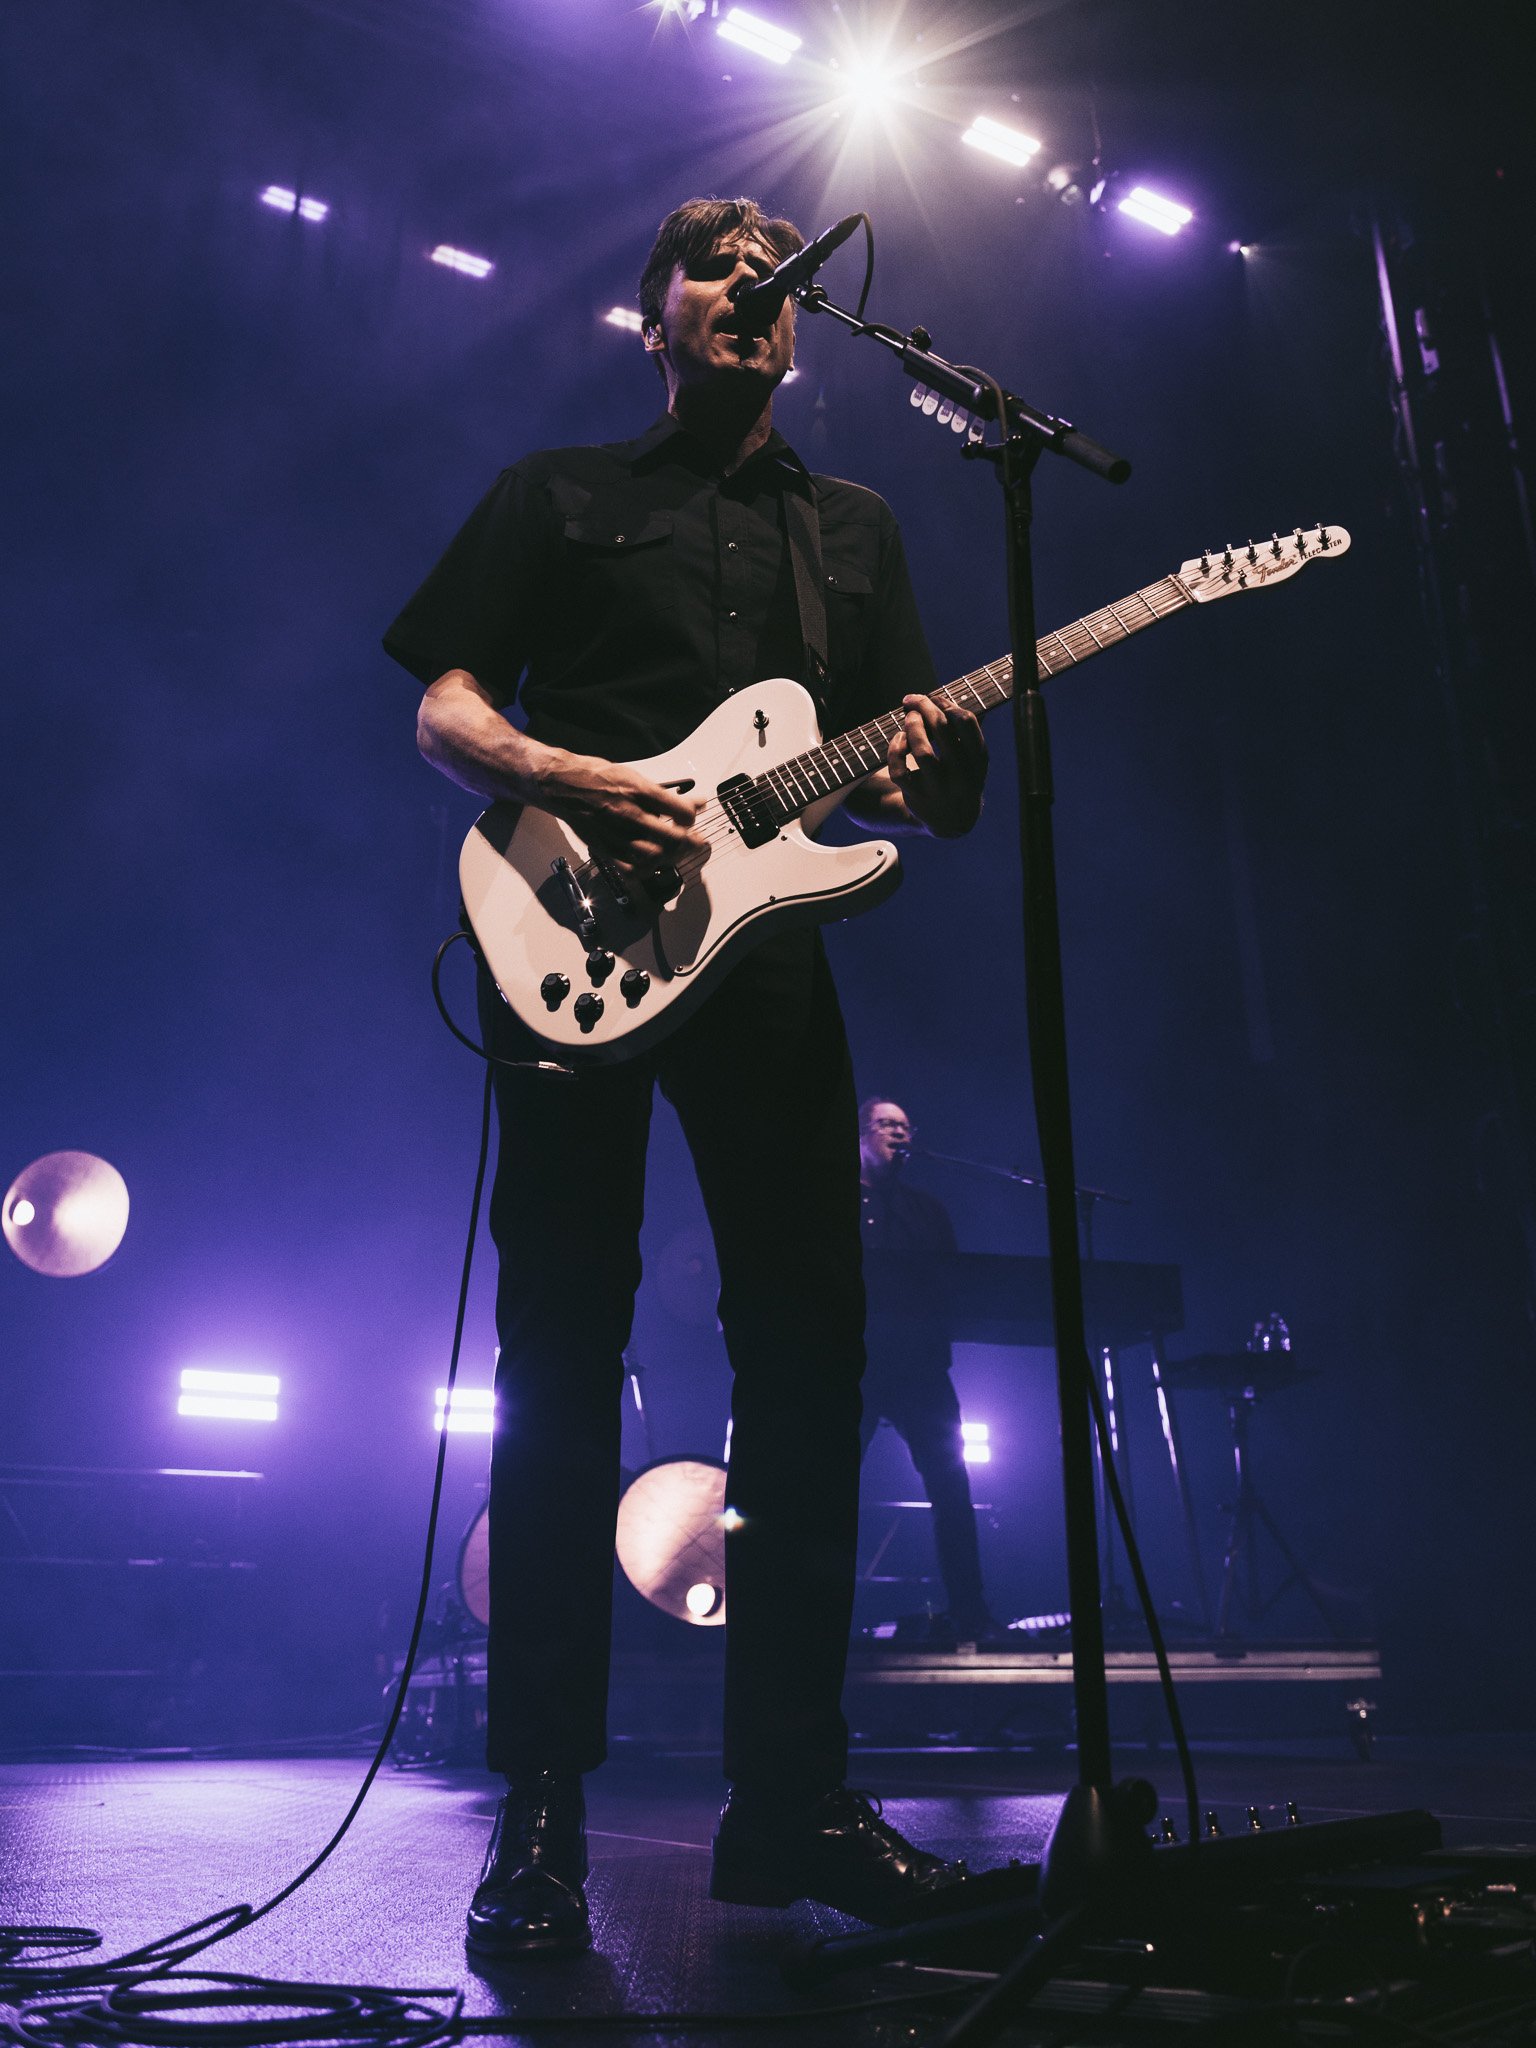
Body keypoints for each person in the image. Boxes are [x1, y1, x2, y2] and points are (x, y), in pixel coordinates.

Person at [383, 197, 988, 1960]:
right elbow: (444, 712)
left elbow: (903, 792)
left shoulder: (855, 531)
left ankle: (790, 1799)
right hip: (567, 932)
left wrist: (939, 771)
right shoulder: (561, 492)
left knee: (810, 1361)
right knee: (566, 1349)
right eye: (715, 261)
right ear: (651, 314)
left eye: (774, 266)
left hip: (771, 971)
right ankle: (545, 1801)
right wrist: (574, 766)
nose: (753, 284)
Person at [858, 1098, 1002, 1644]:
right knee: (834, 1484)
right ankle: (822, 1613)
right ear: (863, 1135)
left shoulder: (927, 1209)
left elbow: (953, 1282)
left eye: (905, 1126)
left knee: (952, 1488)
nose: (899, 1132)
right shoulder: (834, 1198)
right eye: (887, 1124)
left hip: (919, 1365)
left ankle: (971, 1612)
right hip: (860, 1363)